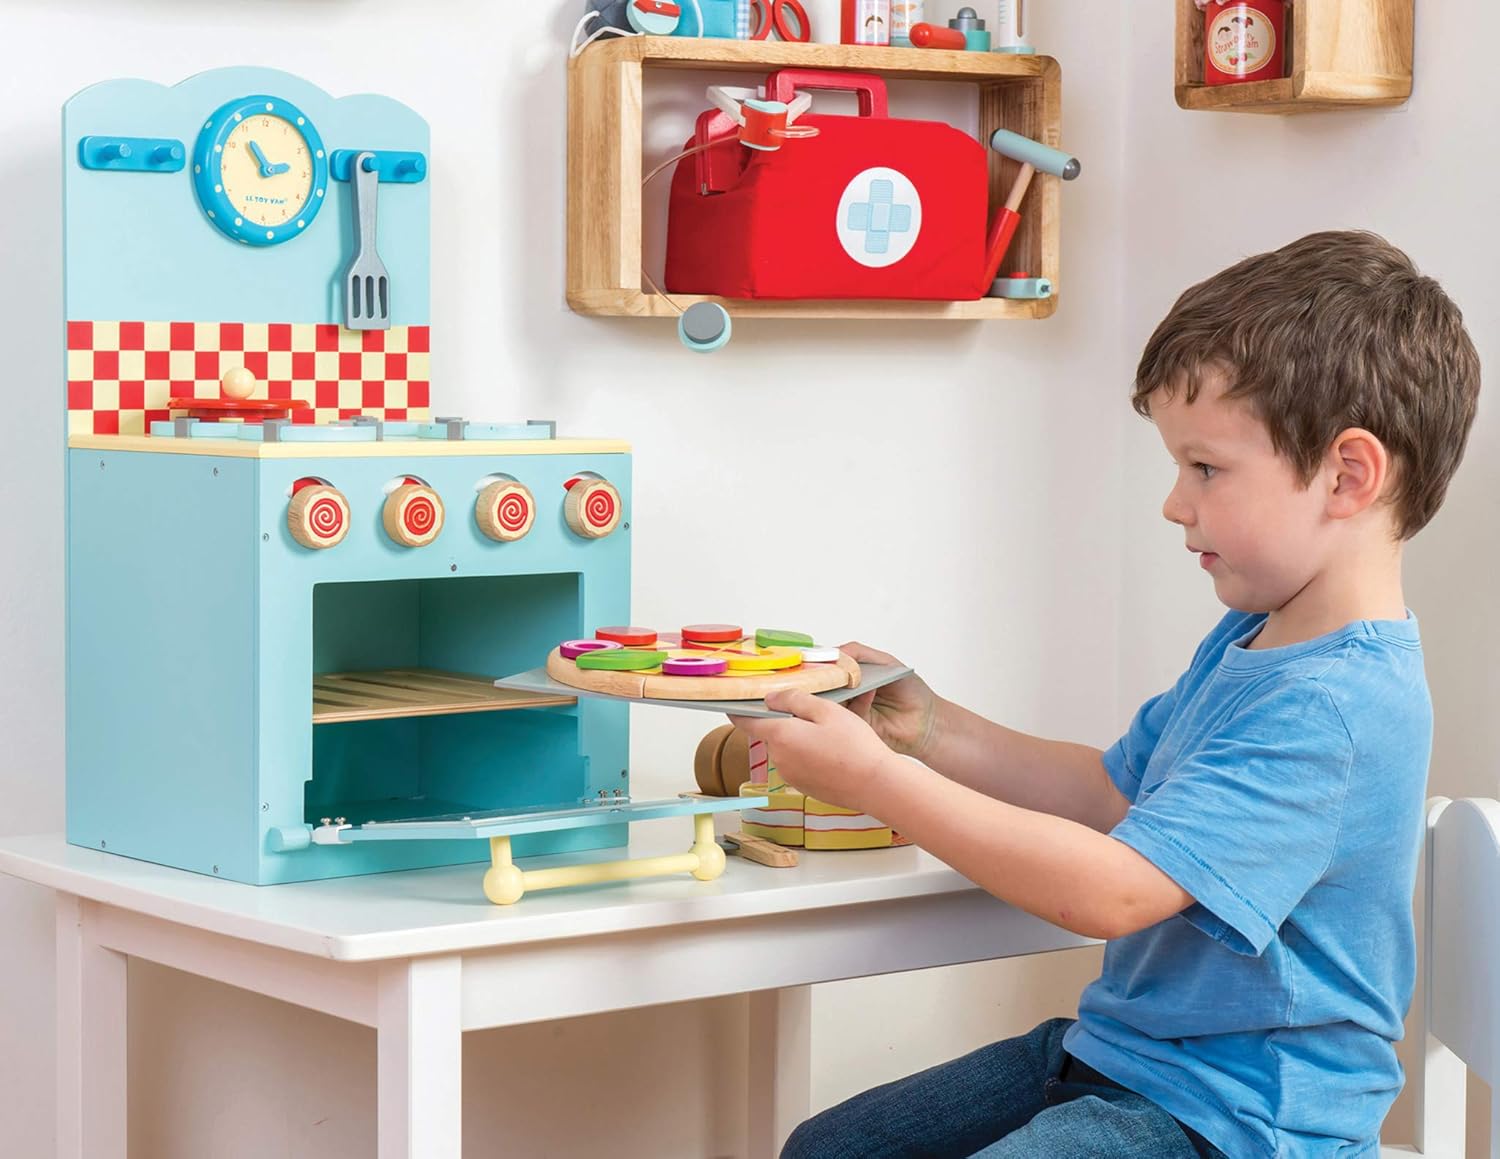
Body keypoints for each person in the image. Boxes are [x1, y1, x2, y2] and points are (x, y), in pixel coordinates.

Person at [734, 231, 1482, 1158]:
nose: (1175, 502)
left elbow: (1113, 894)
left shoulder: (1336, 707)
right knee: (827, 1148)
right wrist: (926, 729)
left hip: (1239, 1121)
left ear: (1348, 474)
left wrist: (875, 783)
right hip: (1128, 1061)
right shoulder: (1255, 640)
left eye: (1205, 468)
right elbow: (1109, 794)